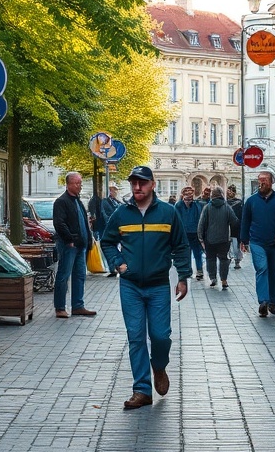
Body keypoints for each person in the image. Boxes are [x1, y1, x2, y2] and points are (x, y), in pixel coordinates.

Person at [100, 165, 191, 410]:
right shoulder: (121, 214)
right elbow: (107, 242)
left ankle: (159, 365)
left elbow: (181, 246)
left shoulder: (168, 213)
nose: (137, 187)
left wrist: (183, 276)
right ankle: (142, 390)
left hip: (159, 284)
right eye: (133, 183)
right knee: (136, 336)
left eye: (142, 183)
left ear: (152, 184)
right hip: (130, 285)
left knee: (161, 336)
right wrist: (119, 265)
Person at [239, 170, 275, 317]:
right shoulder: (251, 201)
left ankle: (272, 301)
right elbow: (245, 221)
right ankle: (263, 301)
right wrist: (244, 240)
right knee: (262, 268)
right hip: (257, 241)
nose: (262, 182)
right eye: (260, 180)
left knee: (274, 271)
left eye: (265, 180)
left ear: (271, 182)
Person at [51, 172, 96, 318]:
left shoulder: (77, 201)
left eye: (80, 183)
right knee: (63, 275)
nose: (79, 186)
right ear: (68, 184)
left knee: (79, 275)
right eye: (76, 183)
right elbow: (59, 222)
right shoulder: (62, 201)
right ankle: (60, 307)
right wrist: (69, 239)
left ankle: (78, 306)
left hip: (80, 245)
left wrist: (89, 239)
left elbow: (83, 221)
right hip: (69, 245)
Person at [197, 186, 239, 289]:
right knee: (224, 259)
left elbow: (201, 223)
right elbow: (235, 221)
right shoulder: (227, 207)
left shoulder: (207, 207)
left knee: (210, 259)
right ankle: (224, 280)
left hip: (209, 239)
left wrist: (200, 237)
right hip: (224, 239)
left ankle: (213, 278)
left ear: (212, 196)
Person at [174, 186, 205, 280]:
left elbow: (200, 218)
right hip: (184, 233)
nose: (188, 201)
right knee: (187, 253)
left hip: (195, 233)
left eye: (190, 199)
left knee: (197, 253)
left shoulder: (196, 205)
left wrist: (201, 232)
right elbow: (176, 220)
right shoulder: (178, 205)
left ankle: (199, 271)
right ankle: (188, 270)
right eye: (186, 199)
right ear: (183, 197)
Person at [101, 185, 124, 276]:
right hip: (109, 227)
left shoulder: (117, 201)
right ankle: (112, 268)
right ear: (110, 191)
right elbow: (104, 213)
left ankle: (113, 267)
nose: (116, 193)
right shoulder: (105, 201)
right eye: (115, 191)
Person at [226, 184, 244, 269]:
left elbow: (242, 216)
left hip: (236, 227)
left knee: (236, 246)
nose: (229, 194)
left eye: (231, 191)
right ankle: (228, 259)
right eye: (228, 192)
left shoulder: (239, 202)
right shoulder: (224, 203)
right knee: (227, 245)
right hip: (226, 227)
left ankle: (237, 261)